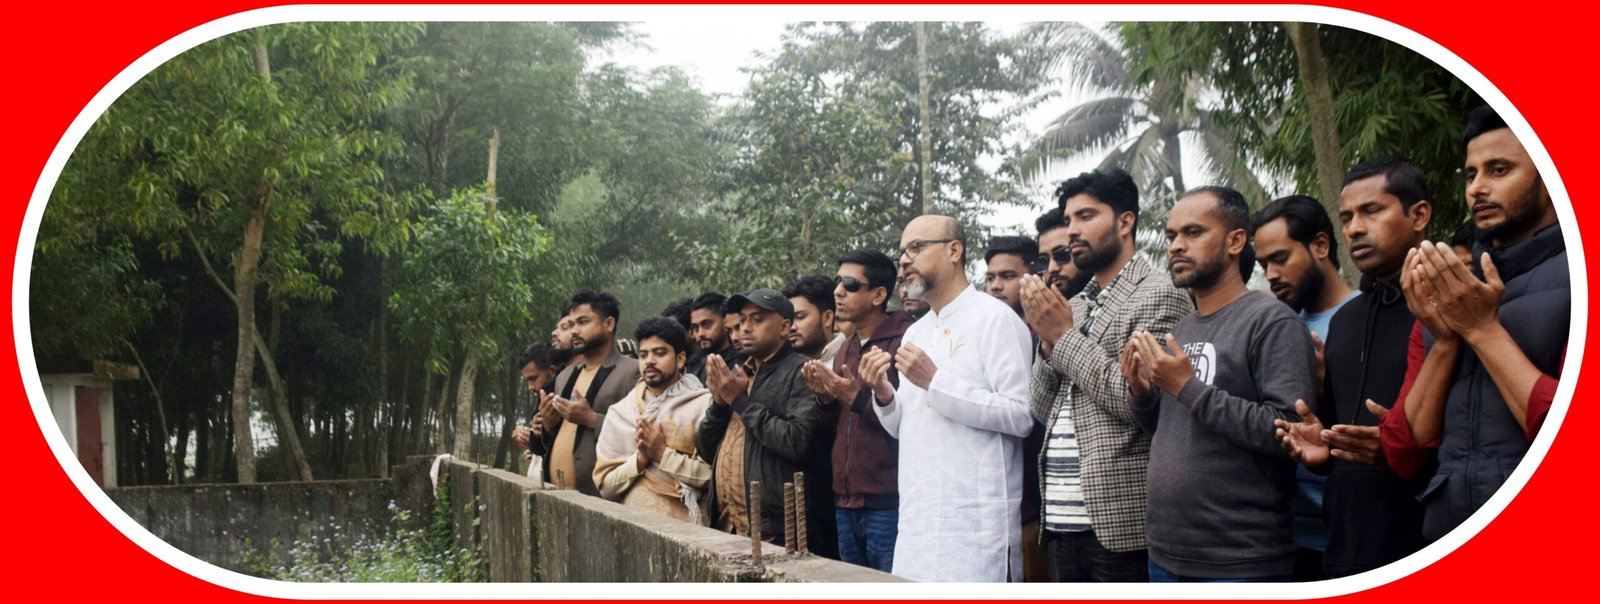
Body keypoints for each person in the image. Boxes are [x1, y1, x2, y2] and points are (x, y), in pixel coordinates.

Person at [1382, 105, 1567, 543]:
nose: (1478, 189)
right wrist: (1446, 339)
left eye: (1498, 170)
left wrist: (1483, 331)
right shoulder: (1452, 292)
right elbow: (1404, 450)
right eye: (1470, 175)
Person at [1122, 186, 1316, 582]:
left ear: (1235, 241)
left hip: (1239, 560)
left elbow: (1288, 431)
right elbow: (1171, 430)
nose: (1176, 246)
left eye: (1193, 233)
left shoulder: (1271, 321)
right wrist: (1142, 393)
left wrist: (1187, 387)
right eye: (1171, 236)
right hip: (1165, 556)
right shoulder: (1182, 328)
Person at [1020, 168, 1191, 582]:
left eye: (1085, 216)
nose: (1072, 231)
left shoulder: (1160, 294)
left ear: (1125, 221)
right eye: (1068, 220)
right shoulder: (1075, 305)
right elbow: (1039, 407)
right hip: (1060, 518)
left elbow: (1135, 402)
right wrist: (1048, 341)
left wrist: (1062, 336)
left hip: (1119, 525)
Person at [1275, 157, 1434, 578]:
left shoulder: (1453, 306)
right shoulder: (1346, 320)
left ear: (1418, 215)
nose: (1355, 228)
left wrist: (1400, 451)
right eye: (1346, 217)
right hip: (1343, 547)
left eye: (1372, 211)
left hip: (1427, 542)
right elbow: (1346, 434)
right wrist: (1320, 446)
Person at [860, 215, 1034, 581]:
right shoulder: (915, 334)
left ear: (954, 250)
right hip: (918, 520)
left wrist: (935, 381)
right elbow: (902, 428)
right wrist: (883, 393)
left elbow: (1021, 416)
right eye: (902, 253)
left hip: (975, 525)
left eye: (916, 248)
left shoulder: (996, 320)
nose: (905, 261)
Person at [1250, 193, 1358, 580]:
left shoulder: (1365, 320)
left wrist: (1328, 388)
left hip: (1350, 538)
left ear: (1321, 246)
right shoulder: (1271, 329)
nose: (1272, 274)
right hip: (1283, 537)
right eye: (1264, 264)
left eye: (1281, 259)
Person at [698, 288, 837, 557]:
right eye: (742, 321)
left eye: (757, 320)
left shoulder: (802, 371)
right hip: (729, 526)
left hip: (780, 529)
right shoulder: (740, 374)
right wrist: (719, 403)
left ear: (785, 327)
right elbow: (706, 451)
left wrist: (740, 401)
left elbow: (795, 441)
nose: (745, 329)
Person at [800, 249, 912, 573]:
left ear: (878, 294)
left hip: (888, 501)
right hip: (845, 501)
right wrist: (825, 398)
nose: (838, 291)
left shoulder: (904, 341)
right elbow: (835, 425)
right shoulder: (845, 346)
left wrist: (854, 396)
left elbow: (908, 425)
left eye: (849, 284)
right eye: (838, 282)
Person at [593, 317, 715, 523]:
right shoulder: (621, 413)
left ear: (681, 359)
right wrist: (640, 460)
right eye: (643, 354)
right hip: (637, 529)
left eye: (660, 353)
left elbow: (713, 477)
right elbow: (605, 487)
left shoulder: (704, 405)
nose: (650, 360)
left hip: (694, 532)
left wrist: (662, 454)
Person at [534, 290, 641, 495]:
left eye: (583, 322)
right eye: (572, 324)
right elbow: (554, 438)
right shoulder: (564, 376)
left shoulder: (633, 372)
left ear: (608, 324)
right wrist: (548, 425)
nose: (574, 331)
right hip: (557, 494)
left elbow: (639, 434)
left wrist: (591, 419)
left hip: (602, 499)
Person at [784, 275, 845, 365]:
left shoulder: (854, 358)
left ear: (827, 318)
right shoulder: (783, 366)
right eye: (789, 320)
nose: (792, 327)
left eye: (800, 317)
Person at [686, 292, 742, 382]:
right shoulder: (692, 366)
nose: (700, 333)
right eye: (696, 327)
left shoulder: (745, 363)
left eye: (707, 324)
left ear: (725, 322)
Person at [985, 235, 1038, 316]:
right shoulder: (979, 327)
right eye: (990, 278)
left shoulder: (1057, 327)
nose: (995, 286)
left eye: (1008, 276)